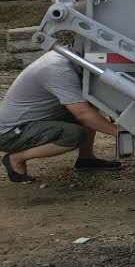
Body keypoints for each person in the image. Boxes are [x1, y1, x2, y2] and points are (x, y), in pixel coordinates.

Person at [0, 50, 122, 182]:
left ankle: (86, 159)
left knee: (88, 104)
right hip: (10, 133)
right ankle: (16, 158)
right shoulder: (57, 69)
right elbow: (83, 115)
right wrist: (120, 133)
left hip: (33, 120)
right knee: (74, 134)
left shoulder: (66, 57)